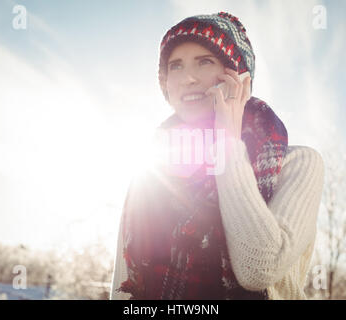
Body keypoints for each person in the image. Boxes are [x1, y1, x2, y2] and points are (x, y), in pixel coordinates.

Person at [110, 12, 324, 300]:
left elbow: (258, 270)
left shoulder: (299, 164)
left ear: (238, 76)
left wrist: (227, 145)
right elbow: (124, 288)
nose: (188, 78)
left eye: (205, 61)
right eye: (176, 66)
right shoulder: (151, 174)